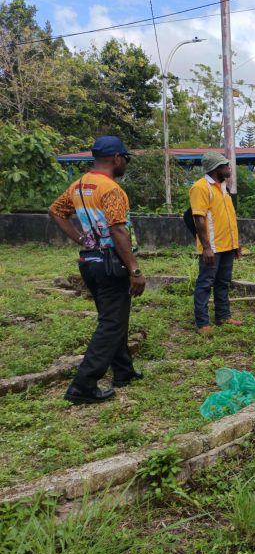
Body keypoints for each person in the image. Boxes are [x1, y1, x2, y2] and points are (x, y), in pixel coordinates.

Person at [48, 135, 146, 405]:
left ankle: (123, 371)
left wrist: (81, 239)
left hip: (89, 261)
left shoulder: (80, 185)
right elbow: (118, 230)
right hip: (111, 262)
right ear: (116, 158)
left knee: (114, 318)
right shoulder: (111, 189)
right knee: (112, 324)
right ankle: (83, 385)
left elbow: (56, 211)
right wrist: (135, 270)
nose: (125, 163)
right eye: (125, 159)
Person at [190, 152, 241, 335]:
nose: (229, 168)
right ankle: (202, 323)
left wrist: (236, 243)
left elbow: (229, 218)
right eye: (225, 165)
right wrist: (206, 247)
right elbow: (199, 218)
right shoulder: (200, 187)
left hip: (227, 245)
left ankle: (223, 316)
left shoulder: (223, 188)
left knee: (223, 282)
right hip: (212, 247)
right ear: (216, 168)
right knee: (205, 284)